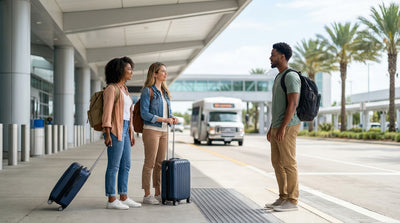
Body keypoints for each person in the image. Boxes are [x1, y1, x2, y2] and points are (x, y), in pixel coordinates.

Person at [102, 56, 141, 210]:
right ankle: (111, 199)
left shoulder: (124, 89)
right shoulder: (111, 89)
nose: (131, 72)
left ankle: (123, 196)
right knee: (114, 166)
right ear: (120, 71)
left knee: (126, 165)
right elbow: (107, 112)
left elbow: (128, 114)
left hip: (125, 129)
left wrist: (131, 133)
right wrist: (107, 133)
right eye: (129, 69)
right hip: (114, 129)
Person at [265, 42, 301, 212]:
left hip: (288, 126)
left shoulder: (291, 76)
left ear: (282, 56)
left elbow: (293, 104)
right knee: (277, 163)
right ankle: (283, 197)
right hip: (278, 126)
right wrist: (272, 127)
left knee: (288, 163)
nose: (270, 57)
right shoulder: (278, 77)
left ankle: (292, 201)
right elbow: (279, 106)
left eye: (273, 54)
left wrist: (283, 127)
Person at [140, 62, 178, 205]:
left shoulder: (165, 92)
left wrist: (173, 118)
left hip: (164, 131)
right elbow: (144, 114)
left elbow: (168, 111)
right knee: (149, 163)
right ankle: (147, 194)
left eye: (165, 71)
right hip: (151, 130)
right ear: (155, 74)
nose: (165, 74)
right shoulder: (147, 91)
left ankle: (158, 192)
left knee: (160, 164)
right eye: (162, 71)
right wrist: (163, 119)